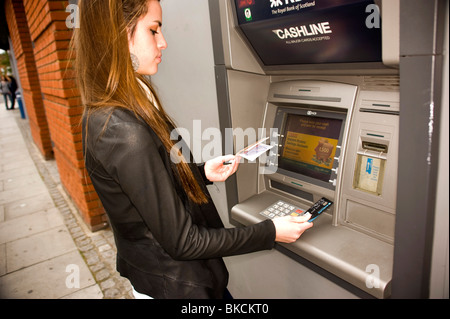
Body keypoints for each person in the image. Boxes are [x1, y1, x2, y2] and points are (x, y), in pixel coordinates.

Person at [74, 0, 313, 299]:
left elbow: (146, 187)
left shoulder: (116, 108)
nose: (164, 42)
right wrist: (271, 231)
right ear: (119, 34)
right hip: (176, 287)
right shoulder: (123, 128)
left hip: (175, 280)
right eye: (153, 30)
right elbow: (184, 242)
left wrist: (200, 173)